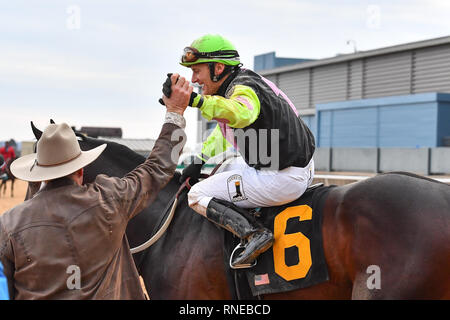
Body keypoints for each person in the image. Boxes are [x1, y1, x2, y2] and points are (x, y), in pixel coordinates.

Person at [0, 80, 189, 299]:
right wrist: (175, 113)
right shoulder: (110, 199)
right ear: (81, 169)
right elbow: (159, 167)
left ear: (39, 173)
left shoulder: (9, 224)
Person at [166, 34, 315, 267]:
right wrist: (200, 158)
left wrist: (194, 101)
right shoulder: (241, 82)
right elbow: (227, 130)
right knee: (221, 168)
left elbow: (240, 113)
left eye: (197, 71)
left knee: (197, 195)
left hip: (281, 178)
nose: (194, 79)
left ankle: (253, 233)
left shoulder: (242, 90)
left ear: (218, 67)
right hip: (296, 167)